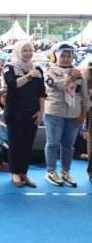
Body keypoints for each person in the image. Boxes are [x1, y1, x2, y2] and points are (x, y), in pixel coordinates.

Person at [43, 42, 90, 187]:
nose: (66, 58)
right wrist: (70, 78)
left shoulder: (79, 74)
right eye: (62, 55)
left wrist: (83, 115)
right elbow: (57, 85)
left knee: (68, 146)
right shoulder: (49, 71)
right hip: (54, 113)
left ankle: (65, 171)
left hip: (74, 114)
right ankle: (51, 171)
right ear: (55, 57)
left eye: (69, 56)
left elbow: (85, 97)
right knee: (53, 143)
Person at [3, 40, 46, 188]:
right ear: (18, 51)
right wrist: (29, 76)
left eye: (30, 50)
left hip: (32, 113)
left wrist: (41, 111)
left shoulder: (38, 70)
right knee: (15, 143)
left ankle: (24, 173)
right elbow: (13, 85)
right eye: (24, 50)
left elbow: (42, 92)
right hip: (14, 112)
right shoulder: (9, 67)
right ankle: (15, 172)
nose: (28, 53)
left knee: (28, 144)